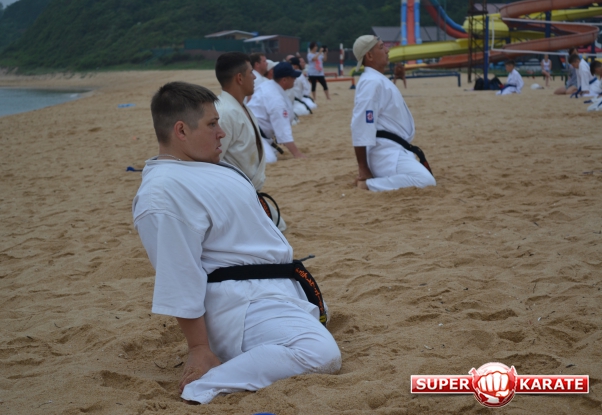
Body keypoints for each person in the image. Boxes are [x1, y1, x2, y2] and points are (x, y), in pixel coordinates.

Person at [132, 81, 341, 404]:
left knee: (318, 328)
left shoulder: (206, 167)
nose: (222, 133)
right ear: (181, 130)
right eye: (212, 124)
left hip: (269, 289)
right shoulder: (162, 193)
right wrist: (199, 347)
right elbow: (179, 275)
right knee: (321, 354)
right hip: (239, 305)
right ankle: (204, 386)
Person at [350, 35, 436, 192]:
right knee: (426, 181)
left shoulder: (376, 79)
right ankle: (367, 185)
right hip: (385, 153)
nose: (387, 50)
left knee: (423, 177)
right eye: (381, 47)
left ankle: (377, 179)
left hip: (393, 149)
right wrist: (363, 168)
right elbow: (361, 126)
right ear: (369, 56)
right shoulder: (371, 82)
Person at [214, 52, 287, 231]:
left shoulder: (240, 107)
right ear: (239, 78)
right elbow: (212, 162)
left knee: (279, 226)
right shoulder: (224, 113)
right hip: (234, 197)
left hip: (247, 193)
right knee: (275, 232)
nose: (254, 77)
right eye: (250, 73)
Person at [248, 62, 306, 161]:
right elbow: (282, 131)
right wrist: (297, 154)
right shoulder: (276, 99)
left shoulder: (268, 85)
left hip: (255, 132)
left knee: (272, 153)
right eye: (292, 77)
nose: (295, 79)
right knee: (269, 159)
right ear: (284, 80)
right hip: (251, 134)